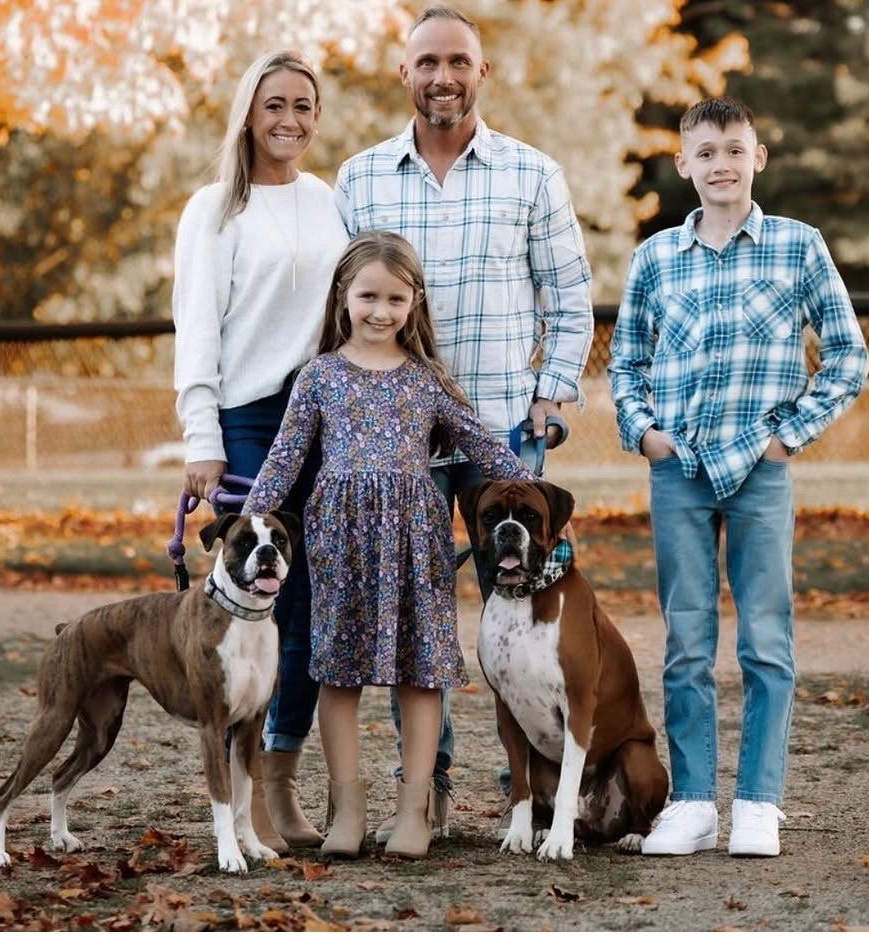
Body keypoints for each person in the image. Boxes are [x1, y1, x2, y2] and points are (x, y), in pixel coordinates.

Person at [334, 4, 594, 839]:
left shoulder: (533, 174)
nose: (442, 76)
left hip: (502, 438)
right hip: (396, 437)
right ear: (403, 74)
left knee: (520, 609)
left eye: (458, 61)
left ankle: (538, 787)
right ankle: (429, 790)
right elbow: (338, 306)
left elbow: (571, 296)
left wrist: (550, 394)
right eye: (427, 62)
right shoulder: (361, 177)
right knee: (414, 612)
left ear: (482, 73)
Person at [608, 96, 869, 858]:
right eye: (705, 152)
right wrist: (646, 435)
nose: (721, 163)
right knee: (687, 642)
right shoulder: (656, 258)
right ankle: (692, 803)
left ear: (758, 157)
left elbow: (848, 356)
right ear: (683, 163)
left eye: (735, 149)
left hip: (760, 469)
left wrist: (789, 437)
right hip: (680, 471)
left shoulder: (798, 246)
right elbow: (625, 362)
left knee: (765, 640)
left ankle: (758, 801)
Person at [241, 231, 538, 860]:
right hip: (338, 538)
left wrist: (534, 487)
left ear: (415, 303)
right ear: (344, 297)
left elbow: (482, 445)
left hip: (414, 538)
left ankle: (414, 809)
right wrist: (248, 518)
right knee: (336, 671)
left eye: (396, 299)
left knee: (421, 672)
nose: (381, 311)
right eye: (368, 296)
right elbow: (286, 458)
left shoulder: (427, 380)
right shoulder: (317, 377)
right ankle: (347, 810)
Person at [171, 49, 348, 854]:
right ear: (248, 112)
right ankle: (234, 807)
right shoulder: (212, 210)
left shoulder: (328, 201)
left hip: (320, 413)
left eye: (304, 106)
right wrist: (202, 437)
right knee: (247, 600)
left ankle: (278, 780)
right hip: (244, 418)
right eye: (275, 104)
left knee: (306, 607)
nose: (290, 120)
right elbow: (197, 330)